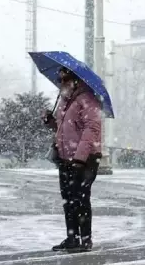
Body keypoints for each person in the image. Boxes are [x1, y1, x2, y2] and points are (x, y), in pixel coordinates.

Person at [43, 67, 103, 252]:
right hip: (65, 158)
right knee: (68, 199)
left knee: (81, 199)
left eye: (65, 80)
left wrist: (80, 158)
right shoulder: (65, 102)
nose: (62, 84)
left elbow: (91, 129)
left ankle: (85, 239)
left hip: (85, 160)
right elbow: (64, 129)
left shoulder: (88, 99)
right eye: (60, 81)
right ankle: (72, 238)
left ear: (75, 81)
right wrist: (51, 122)